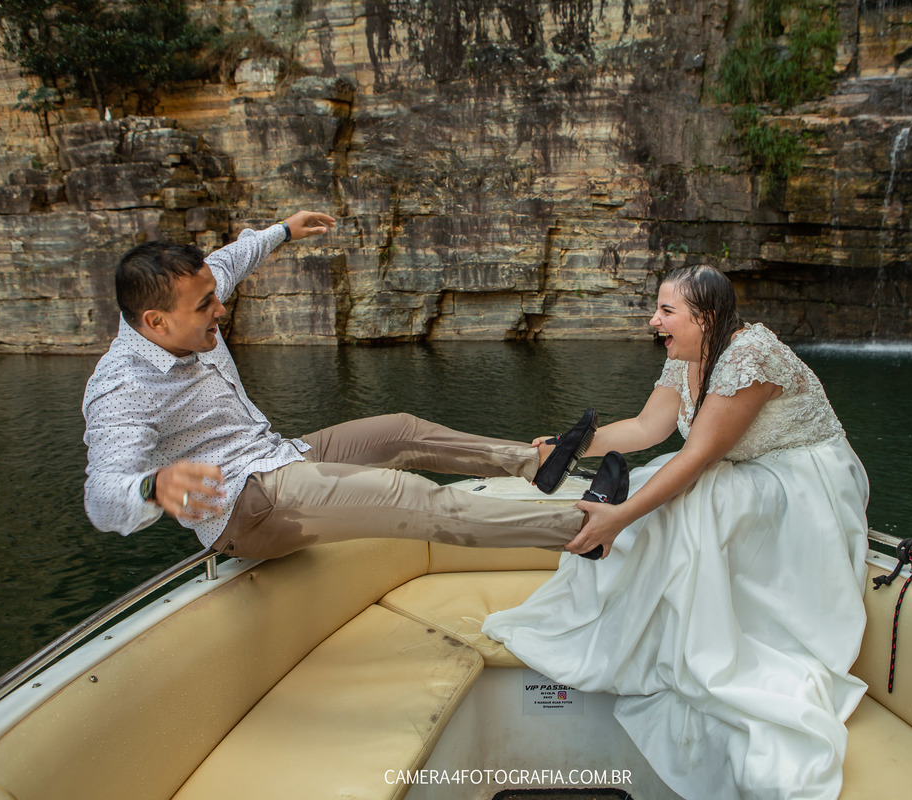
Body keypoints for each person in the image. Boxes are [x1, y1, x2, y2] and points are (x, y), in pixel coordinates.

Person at [484, 264, 870, 800]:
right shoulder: (686, 357)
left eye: (667, 311)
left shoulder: (750, 356)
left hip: (799, 481)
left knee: (683, 498)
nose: (653, 321)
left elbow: (697, 454)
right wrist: (564, 445)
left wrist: (621, 517)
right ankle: (631, 634)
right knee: (653, 487)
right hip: (739, 470)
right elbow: (647, 429)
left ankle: (697, 646)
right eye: (657, 309)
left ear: (706, 317)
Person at [82, 210, 621, 560]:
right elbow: (101, 500)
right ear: (154, 322)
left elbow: (228, 261)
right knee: (405, 494)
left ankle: (538, 464)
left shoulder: (189, 298)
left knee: (401, 431)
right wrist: (151, 487)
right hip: (245, 510)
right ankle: (581, 533)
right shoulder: (122, 388)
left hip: (275, 456)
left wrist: (283, 231)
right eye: (206, 306)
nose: (220, 308)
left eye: (214, 295)